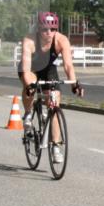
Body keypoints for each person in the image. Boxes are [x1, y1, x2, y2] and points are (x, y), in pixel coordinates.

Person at [18, 12, 83, 164]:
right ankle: (28, 114)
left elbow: (68, 65)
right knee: (31, 86)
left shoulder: (61, 40)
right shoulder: (29, 40)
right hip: (30, 68)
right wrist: (29, 85)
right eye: (45, 29)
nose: (49, 33)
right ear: (38, 29)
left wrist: (74, 84)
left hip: (48, 69)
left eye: (52, 29)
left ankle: (56, 146)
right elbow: (26, 67)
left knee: (54, 102)